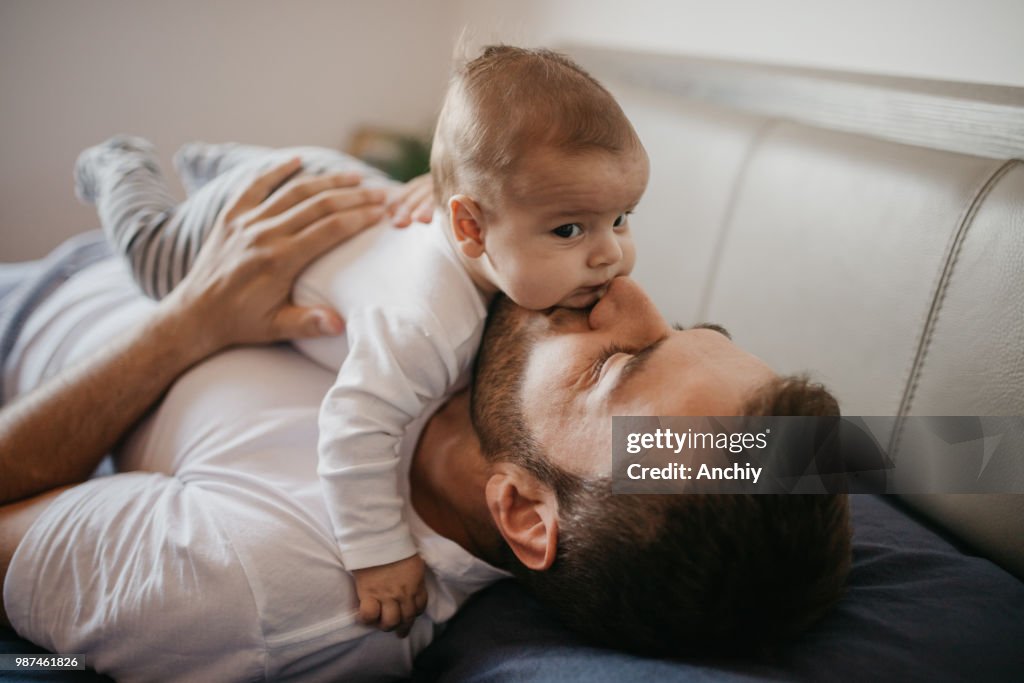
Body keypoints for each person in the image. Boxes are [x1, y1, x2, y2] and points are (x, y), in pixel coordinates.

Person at [0, 163, 851, 680]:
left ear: (520, 509)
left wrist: (189, 322)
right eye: (691, 328)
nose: (626, 289)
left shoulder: (254, 581)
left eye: (622, 362)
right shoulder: (492, 315)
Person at [71, 45, 649, 634]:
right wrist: (379, 552)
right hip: (261, 212)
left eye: (622, 217)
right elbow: (354, 430)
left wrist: (443, 185)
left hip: (334, 182)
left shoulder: (507, 247)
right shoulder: (422, 327)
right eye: (570, 229)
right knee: (155, 265)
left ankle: (210, 162)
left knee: (282, 176)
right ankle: (123, 164)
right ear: (469, 227)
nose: (611, 256)